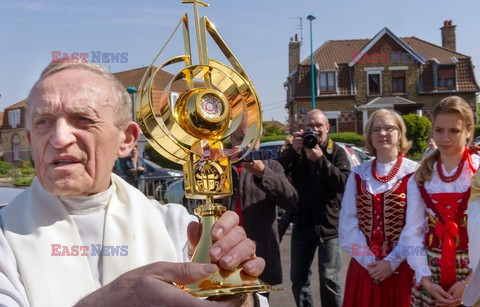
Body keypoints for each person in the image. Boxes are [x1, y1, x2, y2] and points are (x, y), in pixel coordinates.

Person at [0, 62, 266, 307]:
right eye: (43, 122)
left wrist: (239, 293)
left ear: (126, 140)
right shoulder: (4, 235)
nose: (59, 138)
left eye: (83, 119)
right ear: (30, 138)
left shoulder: (177, 227)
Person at [400, 96, 478, 306]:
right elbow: (413, 231)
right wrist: (424, 278)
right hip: (431, 271)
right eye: (439, 130)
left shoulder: (478, 172)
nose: (445, 138)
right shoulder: (420, 177)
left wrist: (470, 283)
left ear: (469, 131)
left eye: (454, 131)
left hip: (474, 272)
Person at [339, 109, 417, 306]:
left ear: (400, 133)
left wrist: (391, 262)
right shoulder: (358, 175)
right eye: (376, 129)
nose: (382, 133)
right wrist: (369, 262)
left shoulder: (414, 173)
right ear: (369, 135)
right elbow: (348, 225)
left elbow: (416, 225)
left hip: (403, 267)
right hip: (365, 268)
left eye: (389, 128)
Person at [279, 109, 350, 307]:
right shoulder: (298, 151)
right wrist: (292, 150)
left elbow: (344, 183)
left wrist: (320, 160)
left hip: (329, 227)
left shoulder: (337, 152)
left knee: (329, 280)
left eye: (319, 125)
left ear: (327, 128)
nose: (315, 130)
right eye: (310, 126)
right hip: (302, 225)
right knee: (298, 280)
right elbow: (277, 173)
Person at [224, 123, 298, 301]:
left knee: (259, 302)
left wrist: (263, 173)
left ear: (258, 141)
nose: (244, 145)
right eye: (239, 139)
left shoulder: (271, 165)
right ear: (231, 140)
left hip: (258, 253)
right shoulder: (221, 165)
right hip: (225, 252)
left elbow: (291, 200)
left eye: (249, 139)